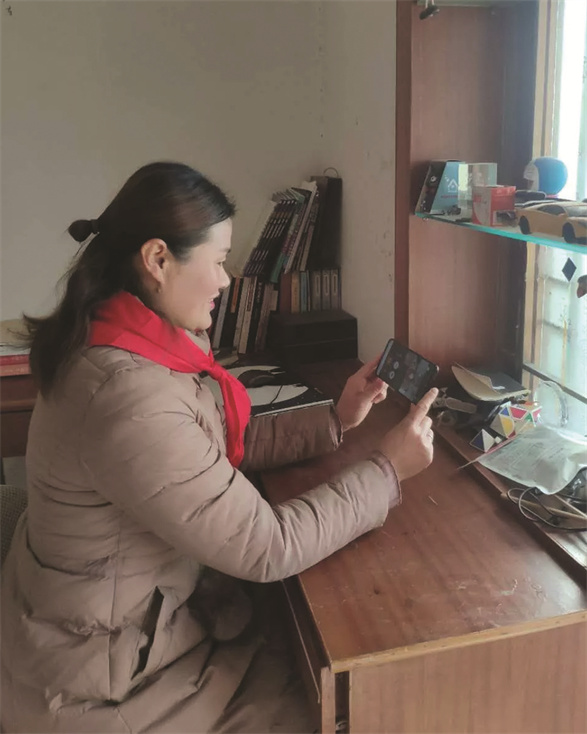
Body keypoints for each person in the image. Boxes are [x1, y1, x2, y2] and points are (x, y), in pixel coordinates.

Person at [1, 162, 437, 734]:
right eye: (219, 261)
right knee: (336, 704)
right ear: (158, 260)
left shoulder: (119, 338)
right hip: (104, 683)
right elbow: (268, 546)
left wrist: (337, 418)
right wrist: (388, 470)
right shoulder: (127, 394)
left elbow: (197, 447)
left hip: (109, 630)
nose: (227, 281)